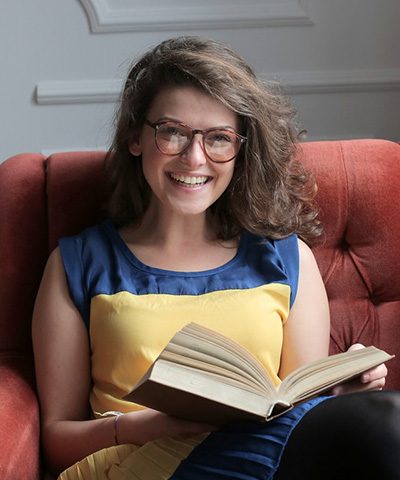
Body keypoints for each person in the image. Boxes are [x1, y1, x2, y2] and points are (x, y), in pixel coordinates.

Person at [32, 36, 398, 480]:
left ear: (240, 150)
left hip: (263, 458)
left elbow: (297, 413)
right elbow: (55, 440)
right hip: (137, 463)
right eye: (172, 132)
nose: (194, 157)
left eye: (219, 139)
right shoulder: (78, 262)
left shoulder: (286, 258)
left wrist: (337, 390)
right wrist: (149, 426)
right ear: (136, 137)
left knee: (382, 424)